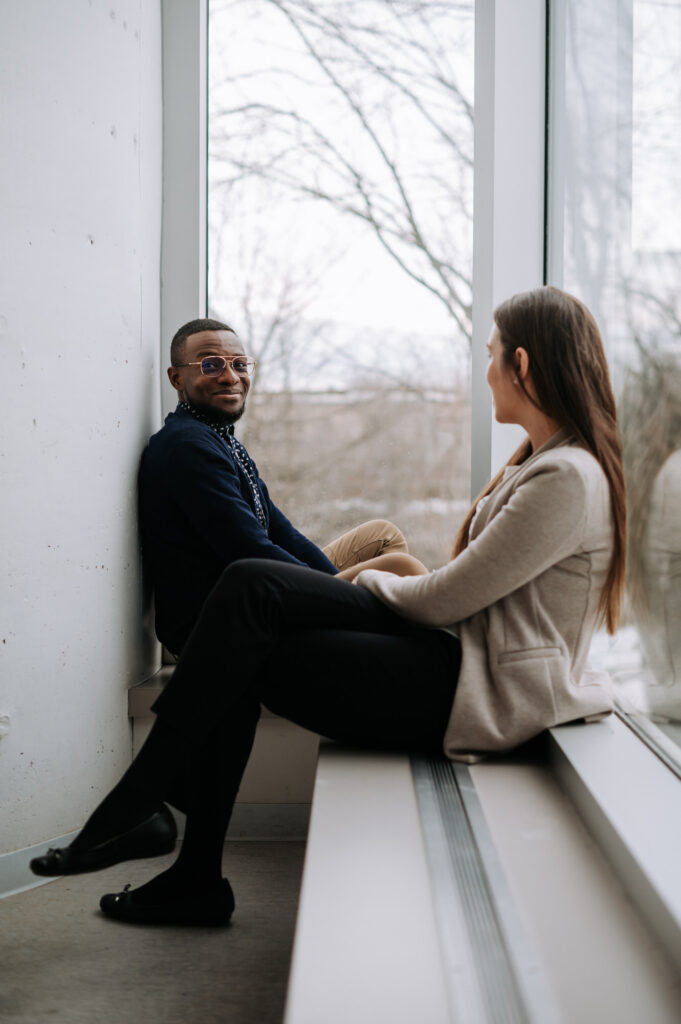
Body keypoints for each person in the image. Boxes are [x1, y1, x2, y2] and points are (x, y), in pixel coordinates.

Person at [31, 286, 626, 928]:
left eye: (489, 356)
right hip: (461, 668)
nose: (484, 372)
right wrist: (343, 592)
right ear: (176, 377)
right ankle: (186, 864)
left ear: (523, 364)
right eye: (209, 364)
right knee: (249, 611)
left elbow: (451, 598)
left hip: (482, 689)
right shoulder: (537, 466)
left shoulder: (564, 477)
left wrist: (356, 590)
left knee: (252, 594)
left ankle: (146, 807)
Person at [139, 317, 426, 656]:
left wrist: (335, 591)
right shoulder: (187, 446)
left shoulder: (218, 439)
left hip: (260, 594)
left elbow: (281, 532)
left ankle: (379, 632)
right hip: (219, 623)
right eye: (211, 364)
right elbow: (251, 551)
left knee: (382, 536)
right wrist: (336, 595)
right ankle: (436, 641)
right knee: (402, 568)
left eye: (239, 364)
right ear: (177, 378)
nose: (231, 377)